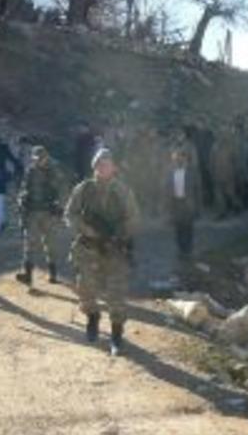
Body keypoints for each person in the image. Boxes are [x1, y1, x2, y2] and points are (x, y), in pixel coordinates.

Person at [65, 149, 140, 356]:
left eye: (106, 164)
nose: (102, 168)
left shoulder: (123, 190)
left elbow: (133, 217)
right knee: (86, 290)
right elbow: (70, 214)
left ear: (113, 167)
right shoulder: (83, 189)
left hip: (114, 250)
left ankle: (116, 334)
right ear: (94, 166)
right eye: (99, 164)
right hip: (89, 248)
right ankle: (93, 319)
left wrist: (120, 235)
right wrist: (86, 229)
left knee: (116, 293)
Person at [16, 146, 68, 286]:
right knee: (30, 243)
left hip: (49, 212)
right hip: (32, 211)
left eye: (40, 158)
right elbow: (23, 189)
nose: (38, 161)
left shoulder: (54, 171)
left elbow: (63, 190)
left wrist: (60, 207)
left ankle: (53, 273)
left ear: (46, 157)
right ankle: (28, 274)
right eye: (35, 158)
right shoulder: (30, 171)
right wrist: (21, 201)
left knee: (50, 243)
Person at [164, 149, 202, 261]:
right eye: (177, 158)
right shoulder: (171, 173)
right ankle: (181, 248)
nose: (180, 160)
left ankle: (188, 249)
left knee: (188, 226)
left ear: (185, 159)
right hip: (176, 202)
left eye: (182, 158)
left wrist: (198, 207)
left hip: (188, 202)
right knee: (178, 227)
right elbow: (167, 189)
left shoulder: (192, 172)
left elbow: (197, 190)